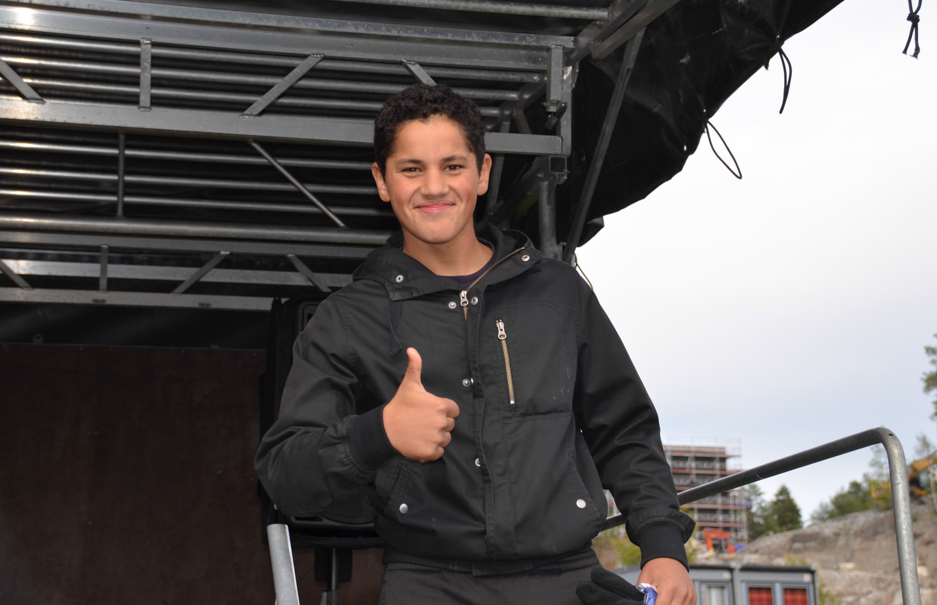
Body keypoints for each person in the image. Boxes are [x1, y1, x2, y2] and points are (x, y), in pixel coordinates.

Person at [255, 84, 696, 605]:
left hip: (566, 579)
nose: (433, 187)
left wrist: (664, 546)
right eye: (411, 168)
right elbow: (285, 474)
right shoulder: (347, 317)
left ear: (482, 173)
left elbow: (624, 429)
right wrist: (378, 433)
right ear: (382, 181)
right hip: (425, 584)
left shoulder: (559, 293)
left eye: (453, 166)